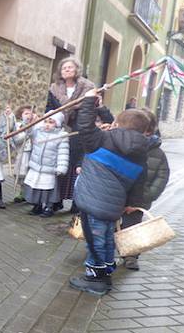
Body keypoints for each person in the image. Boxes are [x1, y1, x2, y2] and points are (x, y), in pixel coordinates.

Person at [68, 89, 150, 296]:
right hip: (114, 206)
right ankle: (105, 273)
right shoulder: (141, 154)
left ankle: (95, 280)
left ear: (118, 124)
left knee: (95, 242)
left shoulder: (103, 140)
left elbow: (84, 127)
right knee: (105, 239)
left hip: (92, 202)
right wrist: (131, 203)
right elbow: (139, 183)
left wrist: (88, 101)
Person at [119, 109, 170, 270]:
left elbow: (161, 179)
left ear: (149, 130)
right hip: (117, 196)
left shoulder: (157, 153)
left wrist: (143, 199)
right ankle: (102, 252)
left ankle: (131, 256)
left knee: (132, 228)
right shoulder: (121, 145)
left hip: (138, 200)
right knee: (109, 225)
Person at [47, 57, 95, 212]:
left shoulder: (87, 88)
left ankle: (76, 202)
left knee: (76, 166)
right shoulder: (54, 88)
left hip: (78, 130)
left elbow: (90, 109)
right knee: (60, 165)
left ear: (77, 70)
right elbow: (50, 108)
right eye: (64, 68)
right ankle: (56, 200)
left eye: (70, 67)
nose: (67, 70)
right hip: (60, 129)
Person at [23, 112, 69, 217]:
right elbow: (28, 131)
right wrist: (28, 121)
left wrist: (61, 167)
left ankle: (49, 207)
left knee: (48, 189)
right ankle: (37, 205)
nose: (47, 124)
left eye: (51, 122)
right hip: (36, 166)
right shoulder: (38, 132)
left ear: (57, 124)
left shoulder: (61, 136)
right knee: (36, 187)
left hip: (50, 168)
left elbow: (63, 153)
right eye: (46, 121)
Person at [10, 106, 34, 202]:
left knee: (31, 174)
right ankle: (22, 192)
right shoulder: (18, 126)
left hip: (33, 153)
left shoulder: (35, 125)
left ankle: (30, 194)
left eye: (30, 113)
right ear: (21, 115)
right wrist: (26, 132)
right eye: (26, 113)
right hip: (23, 153)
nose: (29, 115)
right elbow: (17, 140)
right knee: (21, 173)